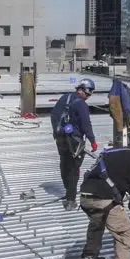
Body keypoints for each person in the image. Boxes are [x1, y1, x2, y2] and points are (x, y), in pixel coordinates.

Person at [51, 79, 98, 211]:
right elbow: (86, 124)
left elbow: (54, 115)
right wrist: (92, 140)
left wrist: (57, 131)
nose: (88, 97)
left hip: (60, 138)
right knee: (73, 169)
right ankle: (70, 199)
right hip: (74, 141)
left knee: (64, 163)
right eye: (88, 94)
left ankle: (68, 190)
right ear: (83, 90)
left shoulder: (65, 98)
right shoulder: (80, 104)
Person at [107, 77, 130, 147]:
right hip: (124, 119)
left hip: (121, 120)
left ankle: (121, 141)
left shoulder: (117, 90)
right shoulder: (124, 90)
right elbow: (127, 106)